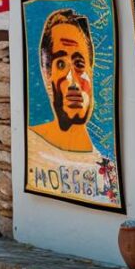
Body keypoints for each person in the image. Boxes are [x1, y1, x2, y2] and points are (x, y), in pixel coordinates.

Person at [26, 10, 117, 205]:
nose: (72, 80)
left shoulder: (107, 168)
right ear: (47, 74)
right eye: (60, 64)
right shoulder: (32, 143)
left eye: (79, 63)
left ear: (91, 70)